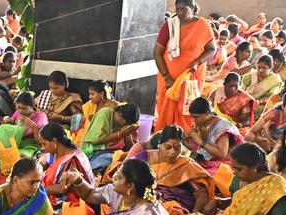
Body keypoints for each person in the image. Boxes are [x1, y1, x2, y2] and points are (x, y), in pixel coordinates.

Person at [153, 0, 215, 131]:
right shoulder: (169, 26)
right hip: (169, 78)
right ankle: (164, 137)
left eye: (184, 9)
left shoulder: (202, 25)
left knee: (188, 111)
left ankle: (185, 138)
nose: (180, 12)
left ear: (192, 8)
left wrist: (198, 61)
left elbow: (211, 49)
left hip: (191, 78)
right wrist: (167, 77)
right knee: (165, 112)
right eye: (178, 9)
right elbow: (157, 53)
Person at [132, 125, 214, 215]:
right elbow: (126, 178)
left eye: (177, 148)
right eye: (168, 147)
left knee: (172, 210)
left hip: (172, 208)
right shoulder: (143, 157)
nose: (172, 152)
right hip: (144, 200)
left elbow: (201, 195)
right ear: (159, 144)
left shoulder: (186, 165)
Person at [80, 101, 139, 176]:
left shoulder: (127, 126)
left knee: (126, 161)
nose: (127, 126)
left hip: (108, 153)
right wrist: (119, 134)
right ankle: (85, 170)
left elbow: (130, 150)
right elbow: (94, 140)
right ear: (120, 115)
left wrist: (128, 136)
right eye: (127, 123)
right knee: (111, 161)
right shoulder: (105, 113)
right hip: (91, 153)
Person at [183, 97, 241, 171]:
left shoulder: (222, 126)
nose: (193, 120)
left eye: (196, 117)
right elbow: (197, 149)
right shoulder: (203, 124)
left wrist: (200, 141)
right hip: (207, 161)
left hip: (224, 165)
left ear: (207, 114)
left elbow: (221, 154)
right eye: (192, 117)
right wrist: (187, 141)